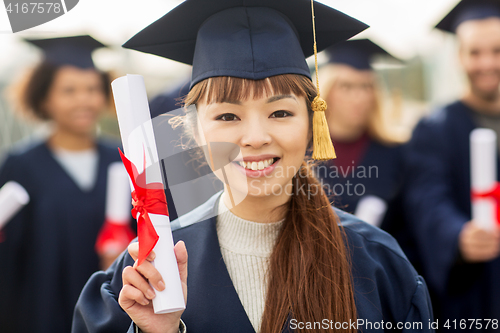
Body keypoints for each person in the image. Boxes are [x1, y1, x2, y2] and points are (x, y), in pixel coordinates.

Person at [73, 1, 433, 332]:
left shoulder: (378, 264)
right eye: (228, 115)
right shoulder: (145, 276)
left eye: (280, 113)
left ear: (312, 123)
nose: (256, 137)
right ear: (195, 132)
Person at [0, 35, 123, 333]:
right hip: (40, 313)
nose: (84, 100)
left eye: (92, 89)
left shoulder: (122, 159)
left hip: (110, 311)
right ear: (44, 98)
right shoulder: (21, 166)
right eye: (69, 90)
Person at [405, 0, 500, 330]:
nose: (487, 62)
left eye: (496, 50)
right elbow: (427, 199)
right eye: (475, 52)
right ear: (459, 57)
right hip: (474, 294)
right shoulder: (435, 128)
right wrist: (457, 235)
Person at [315, 39, 407, 231]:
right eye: (346, 86)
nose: (358, 97)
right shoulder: (303, 153)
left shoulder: (396, 153)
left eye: (366, 86)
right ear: (327, 91)